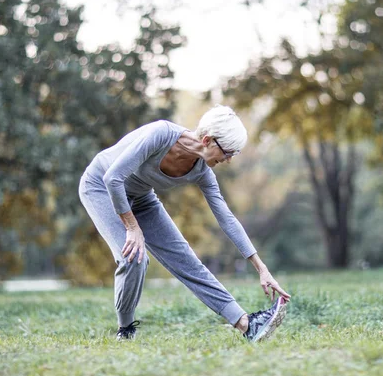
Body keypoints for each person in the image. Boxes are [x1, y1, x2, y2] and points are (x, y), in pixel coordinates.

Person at [78, 105, 291, 342]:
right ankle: (125, 330)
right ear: (209, 140)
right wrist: (132, 227)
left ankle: (247, 325)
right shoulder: (161, 134)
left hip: (140, 198)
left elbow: (226, 218)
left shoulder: (202, 172)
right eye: (228, 152)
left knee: (187, 261)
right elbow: (113, 178)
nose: (229, 160)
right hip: (100, 187)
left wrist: (262, 269)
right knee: (133, 256)